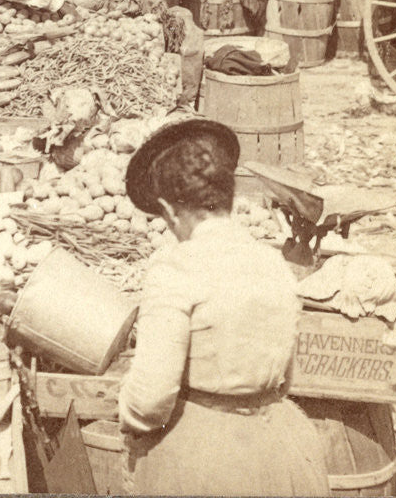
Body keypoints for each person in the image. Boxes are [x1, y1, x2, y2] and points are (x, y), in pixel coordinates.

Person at [118, 116, 330, 497]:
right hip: (283, 451)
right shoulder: (273, 265)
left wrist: (129, 417)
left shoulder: (175, 268)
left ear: (168, 209)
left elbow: (150, 401)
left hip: (203, 460)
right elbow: (286, 377)